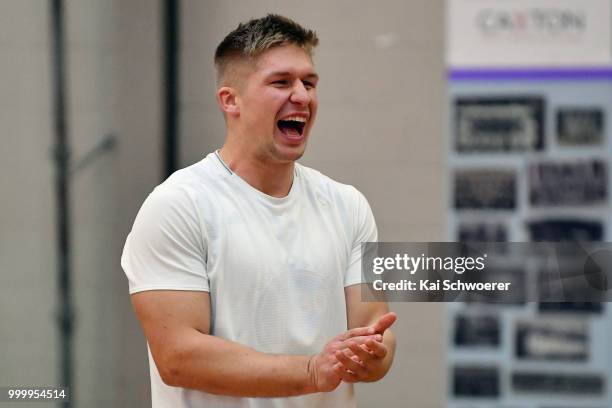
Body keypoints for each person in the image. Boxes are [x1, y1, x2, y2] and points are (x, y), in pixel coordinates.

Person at [121, 14, 396, 408]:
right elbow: (178, 357)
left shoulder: (349, 204)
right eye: (281, 82)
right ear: (230, 100)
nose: (301, 96)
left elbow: (374, 327)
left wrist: (371, 355)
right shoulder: (178, 205)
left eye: (309, 82)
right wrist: (312, 371)